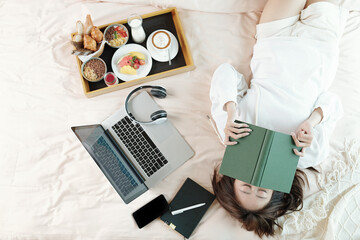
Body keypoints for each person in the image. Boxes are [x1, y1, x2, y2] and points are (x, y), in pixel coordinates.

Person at [210, 0, 349, 237]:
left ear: (232, 181)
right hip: (321, 45)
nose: (255, 182)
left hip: (275, 37)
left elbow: (225, 72)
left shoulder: (232, 134)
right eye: (262, 191)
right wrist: (312, 122)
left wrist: (230, 111)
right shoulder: (308, 155)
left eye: (246, 186)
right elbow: (333, 102)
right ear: (278, 192)